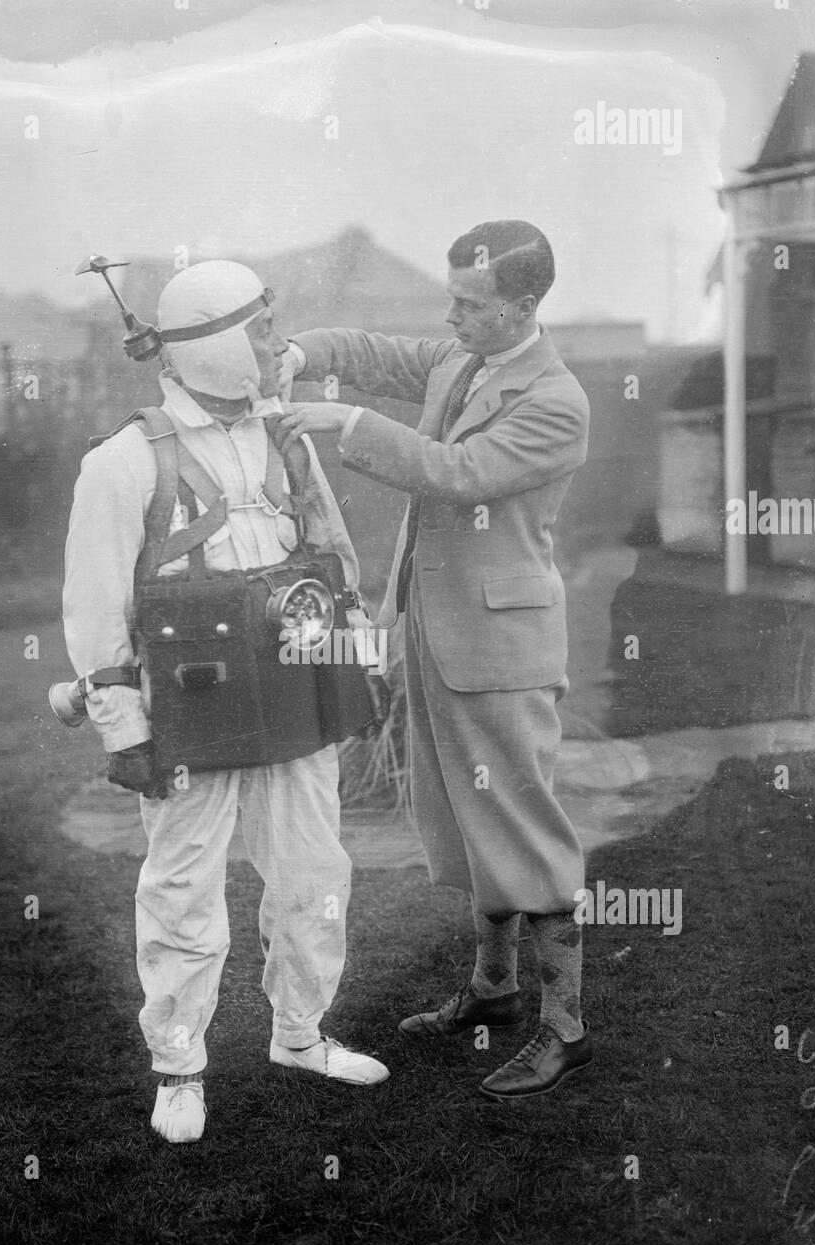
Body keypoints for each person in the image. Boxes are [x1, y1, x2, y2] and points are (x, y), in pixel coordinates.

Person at [62, 260, 389, 1145]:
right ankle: (178, 1068)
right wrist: (123, 730)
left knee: (315, 877)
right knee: (182, 891)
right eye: (259, 330)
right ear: (210, 344)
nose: (276, 346)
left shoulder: (286, 438)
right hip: (188, 713)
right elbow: (95, 614)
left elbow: (336, 560)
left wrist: (364, 667)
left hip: (296, 690)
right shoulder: (121, 463)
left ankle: (299, 1035)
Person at [274, 221, 591, 1099]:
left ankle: (564, 1029)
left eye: (469, 304)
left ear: (522, 307)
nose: (449, 317)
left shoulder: (556, 400)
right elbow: (374, 351)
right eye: (449, 298)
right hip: (433, 631)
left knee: (523, 828)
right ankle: (492, 994)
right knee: (460, 819)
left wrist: (347, 421)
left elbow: (455, 472)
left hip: (500, 647)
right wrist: (303, 351)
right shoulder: (462, 359)